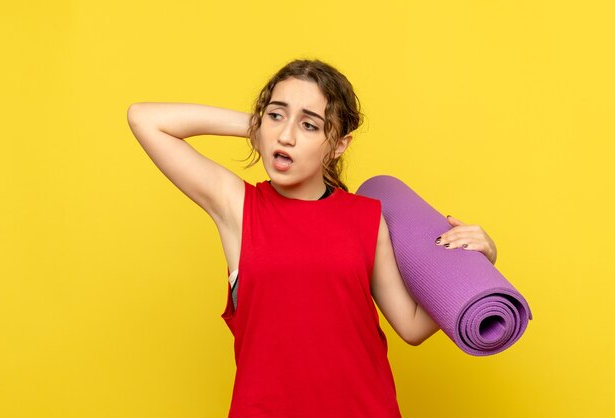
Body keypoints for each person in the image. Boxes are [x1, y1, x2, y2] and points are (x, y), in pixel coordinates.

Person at [127, 59, 498, 417]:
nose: (285, 136)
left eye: (309, 125)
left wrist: (478, 270)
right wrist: (258, 126)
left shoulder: (367, 218)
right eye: (276, 115)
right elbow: (145, 118)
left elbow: (412, 327)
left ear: (338, 145)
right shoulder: (238, 207)